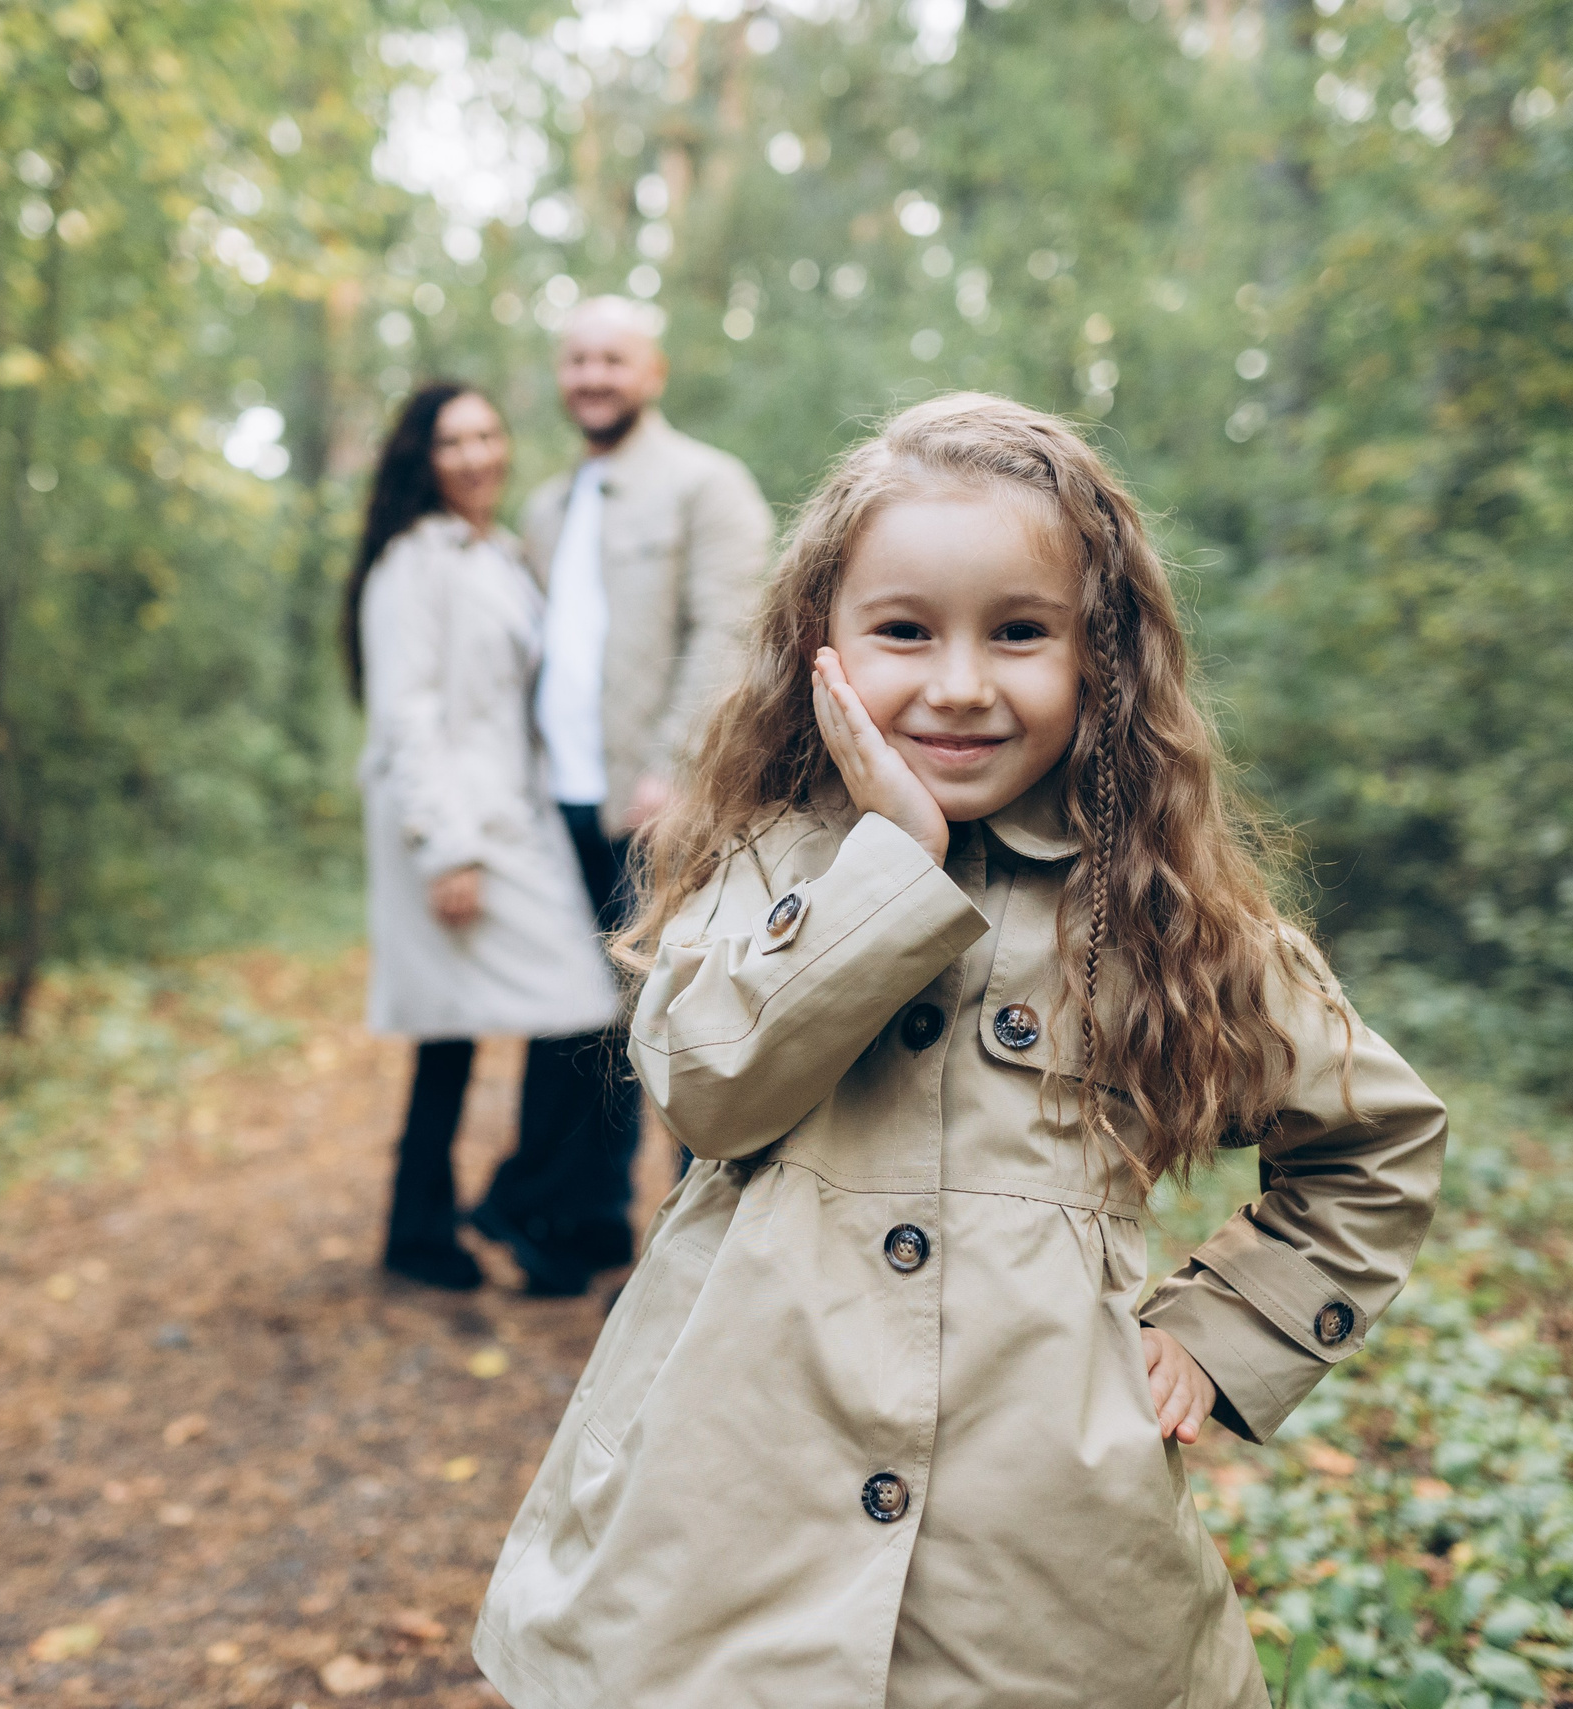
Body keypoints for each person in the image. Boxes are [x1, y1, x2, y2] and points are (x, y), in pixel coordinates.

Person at [472, 394, 1449, 1706]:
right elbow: (707, 1089)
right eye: (904, 631)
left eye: (1021, 633)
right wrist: (892, 867)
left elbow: (1374, 1143)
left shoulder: (1165, 914)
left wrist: (1226, 1331)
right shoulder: (767, 860)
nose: (960, 684)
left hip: (1040, 1568)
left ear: (1100, 656)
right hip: (728, 1525)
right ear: (822, 644)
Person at [468, 297, 773, 1295]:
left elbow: (727, 631)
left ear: (653, 371)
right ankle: (573, 1225)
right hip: (555, 799)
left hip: (658, 804)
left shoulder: (706, 487)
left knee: (669, 1022)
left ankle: (699, 1258)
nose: (591, 375)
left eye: (612, 358)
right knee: (568, 1021)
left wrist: (676, 770)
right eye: (575, 359)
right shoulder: (548, 506)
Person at [346, 382, 622, 1292]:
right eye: (452, 441)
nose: (475, 456)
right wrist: (445, 847)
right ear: (421, 459)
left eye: (487, 435)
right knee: (582, 1004)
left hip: (508, 810)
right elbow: (406, 716)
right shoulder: (410, 563)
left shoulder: (499, 553)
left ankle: (417, 1228)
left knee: (452, 1028)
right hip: (454, 822)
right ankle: (510, 1200)